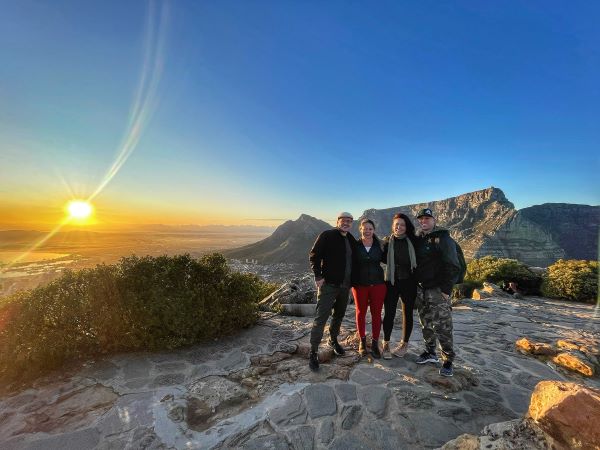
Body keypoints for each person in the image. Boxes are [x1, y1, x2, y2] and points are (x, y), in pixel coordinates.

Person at [414, 208, 461, 377]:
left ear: (434, 220)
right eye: (421, 219)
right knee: (425, 322)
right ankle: (430, 352)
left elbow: (453, 265)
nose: (424, 221)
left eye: (427, 218)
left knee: (443, 325)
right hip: (421, 289)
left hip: (437, 290)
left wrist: (446, 290)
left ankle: (448, 360)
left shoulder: (443, 238)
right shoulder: (420, 238)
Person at [308, 211, 356, 371]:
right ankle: (313, 351)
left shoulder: (350, 239)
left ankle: (333, 340)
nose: (346, 223)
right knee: (321, 318)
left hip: (345, 286)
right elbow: (314, 255)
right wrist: (318, 276)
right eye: (343, 220)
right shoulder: (327, 235)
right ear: (337, 221)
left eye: (349, 221)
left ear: (352, 223)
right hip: (328, 285)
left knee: (339, 315)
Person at [381, 213, 418, 360]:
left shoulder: (413, 241)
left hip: (409, 282)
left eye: (402, 225)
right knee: (389, 313)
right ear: (392, 226)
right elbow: (379, 257)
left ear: (406, 227)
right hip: (391, 282)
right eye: (396, 224)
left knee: (407, 313)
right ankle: (386, 344)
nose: (399, 227)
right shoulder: (386, 242)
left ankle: (404, 345)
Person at [351, 219, 386, 358]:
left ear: (374, 230)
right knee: (361, 313)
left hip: (378, 285)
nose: (367, 231)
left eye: (370, 229)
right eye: (365, 228)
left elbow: (389, 259)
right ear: (360, 229)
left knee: (377, 314)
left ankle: (375, 343)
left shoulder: (380, 245)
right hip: (360, 285)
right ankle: (362, 341)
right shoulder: (355, 245)